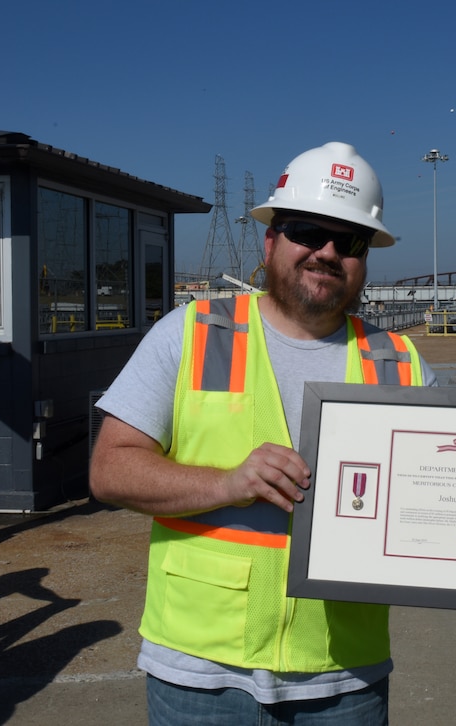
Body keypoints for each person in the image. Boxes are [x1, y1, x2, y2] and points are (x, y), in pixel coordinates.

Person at [90, 141, 437, 725]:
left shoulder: (400, 362)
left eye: (348, 241)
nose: (326, 252)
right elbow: (110, 469)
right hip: (200, 675)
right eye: (306, 231)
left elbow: (442, 499)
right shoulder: (192, 333)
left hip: (342, 676)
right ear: (271, 239)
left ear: (365, 257)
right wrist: (230, 481)